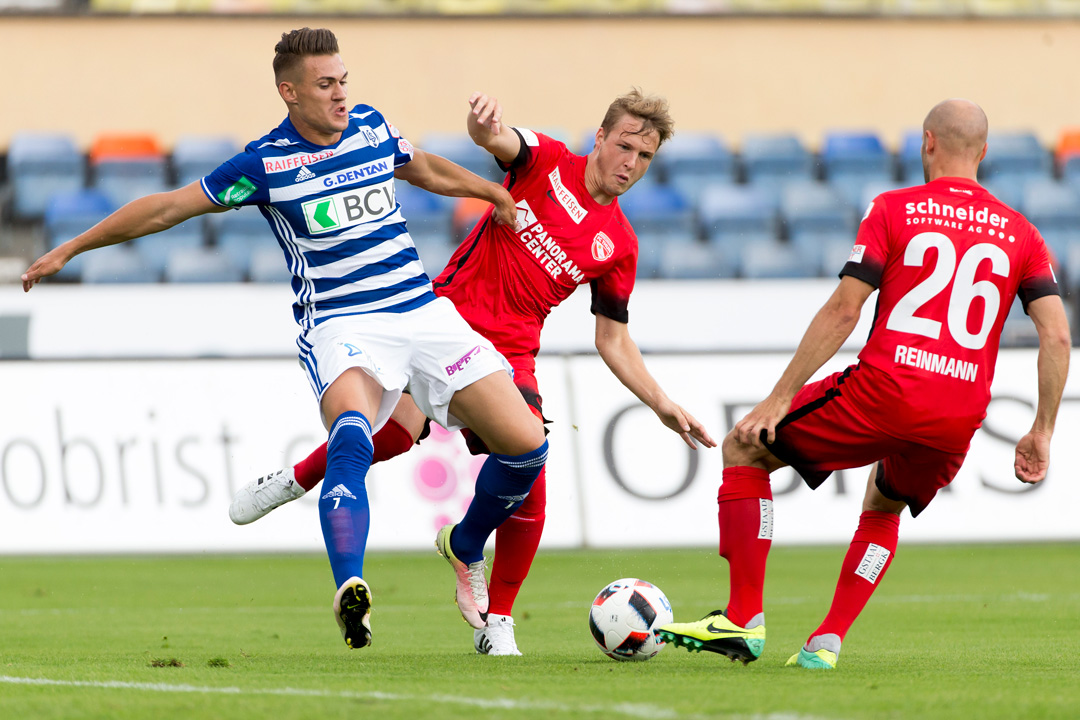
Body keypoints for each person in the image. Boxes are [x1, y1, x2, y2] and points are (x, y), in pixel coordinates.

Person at [21, 27, 553, 652]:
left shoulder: (371, 126)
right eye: (326, 85)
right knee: (353, 432)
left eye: (344, 81)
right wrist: (71, 247)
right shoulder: (264, 164)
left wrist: (489, 188)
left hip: (422, 311)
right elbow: (168, 207)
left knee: (526, 444)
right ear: (290, 92)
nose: (340, 95)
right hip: (342, 321)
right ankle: (350, 586)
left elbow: (422, 167)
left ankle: (464, 546)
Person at [227, 89, 717, 655]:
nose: (631, 163)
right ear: (600, 138)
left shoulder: (619, 245)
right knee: (388, 436)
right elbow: (497, 141)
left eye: (645, 157)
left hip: (512, 353)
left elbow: (612, 338)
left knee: (530, 476)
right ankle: (295, 480)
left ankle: (493, 611)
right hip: (439, 318)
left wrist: (661, 402)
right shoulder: (548, 158)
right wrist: (484, 128)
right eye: (625, 145)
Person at [658, 99, 1071, 669]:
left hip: (885, 390)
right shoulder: (1022, 233)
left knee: (744, 448)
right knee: (884, 504)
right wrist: (1043, 429)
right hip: (957, 414)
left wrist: (779, 399)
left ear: (927, 142)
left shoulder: (893, 208)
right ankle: (826, 643)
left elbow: (844, 312)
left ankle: (742, 618)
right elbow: (1055, 338)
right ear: (983, 153)